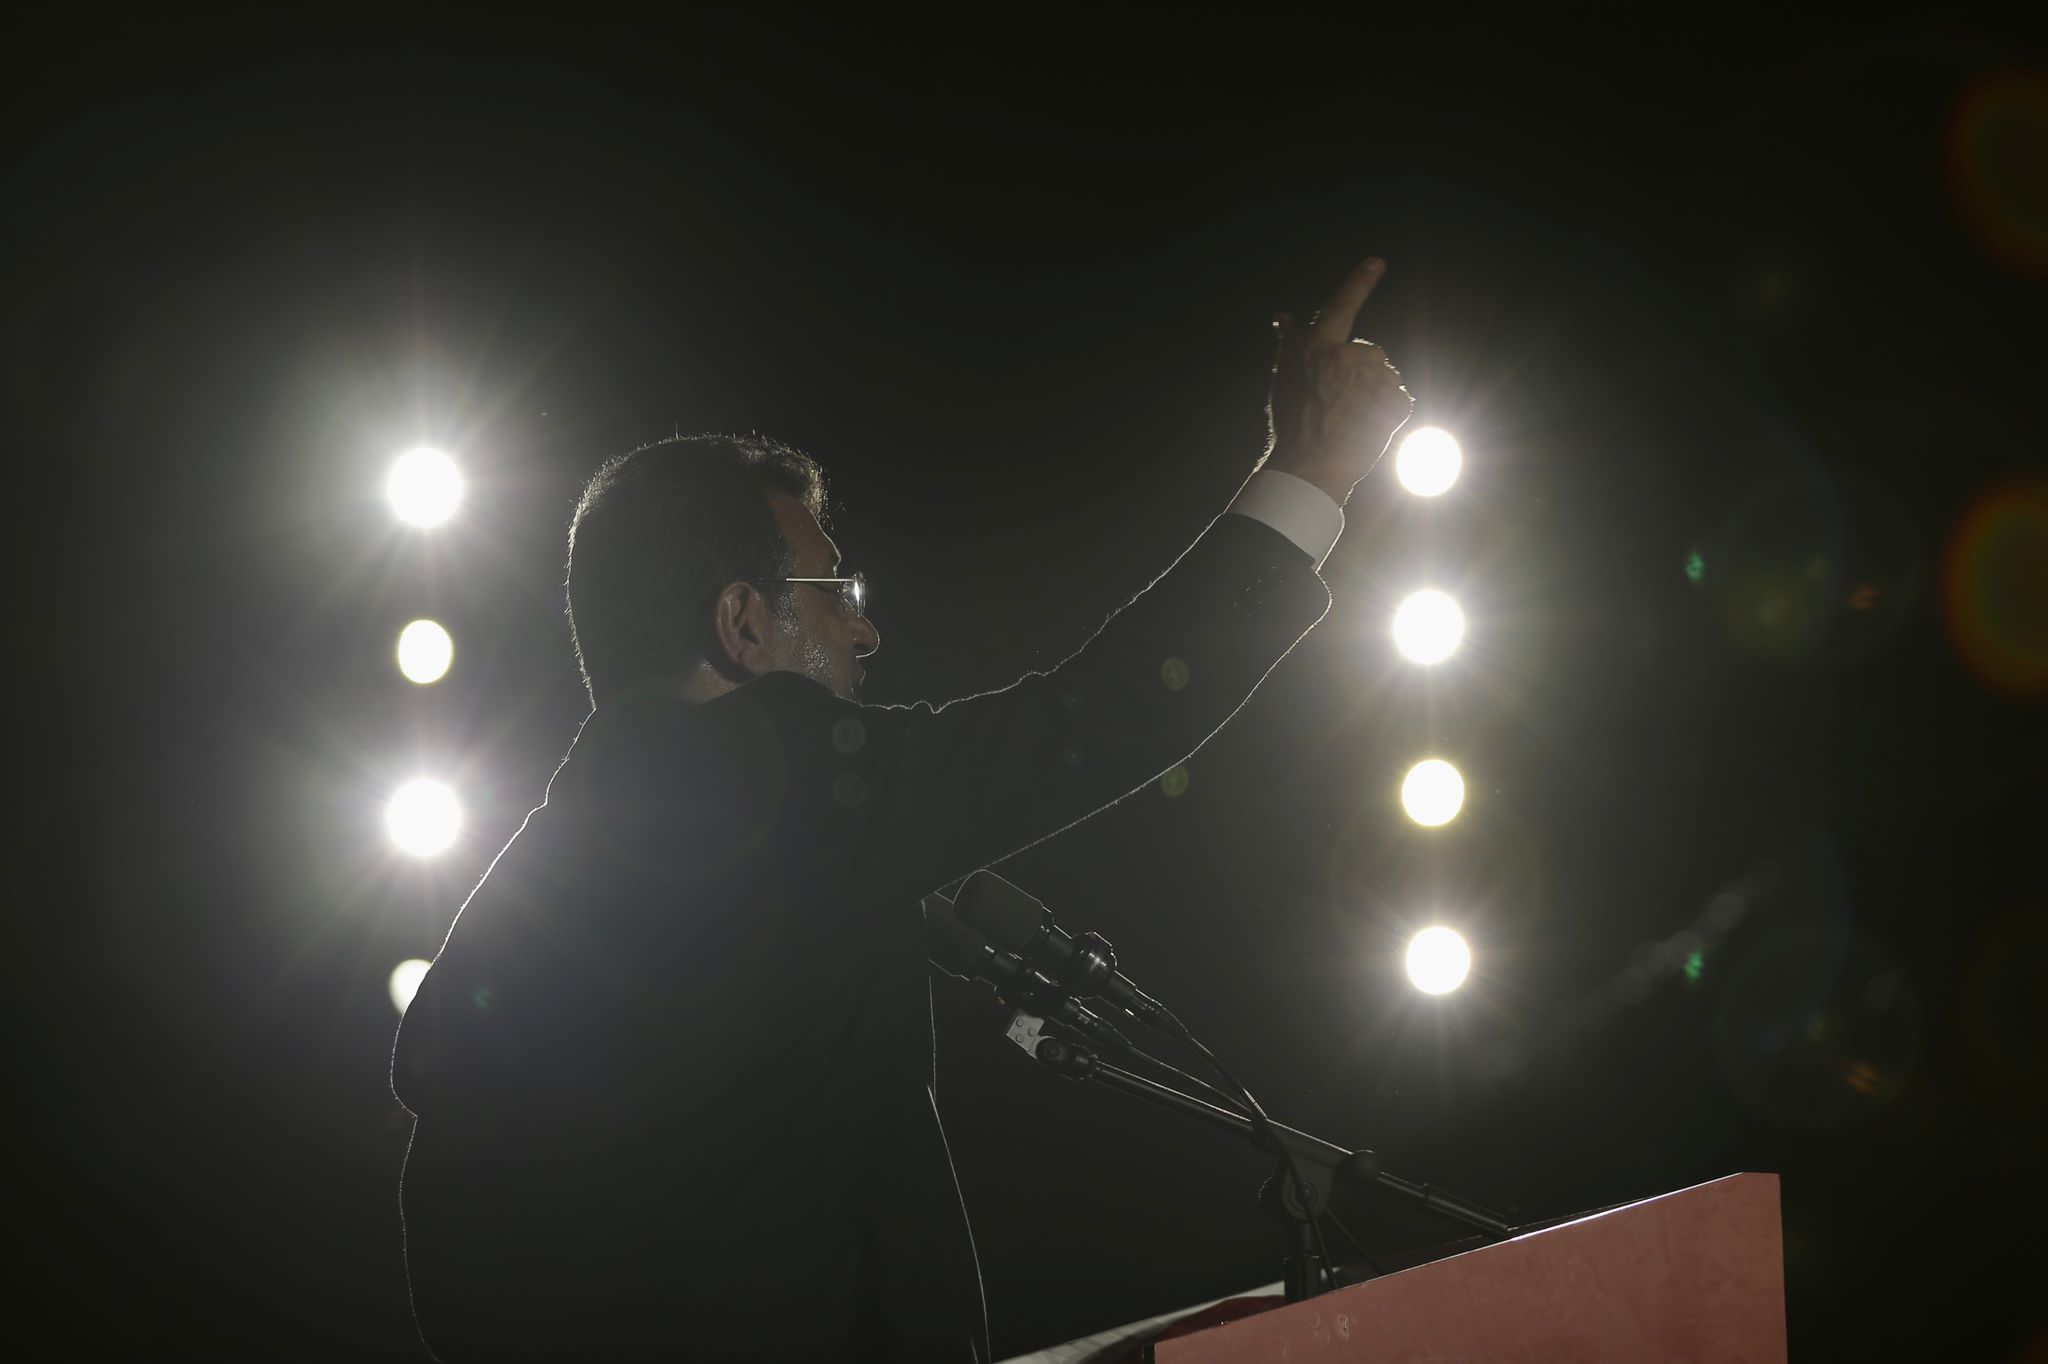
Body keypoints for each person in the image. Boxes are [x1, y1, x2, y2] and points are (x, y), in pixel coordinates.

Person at [389, 256, 1413, 1361]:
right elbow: (1088, 720)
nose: (866, 631)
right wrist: (1311, 471)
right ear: (743, 623)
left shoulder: (535, 901)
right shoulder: (751, 774)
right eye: (834, 592)